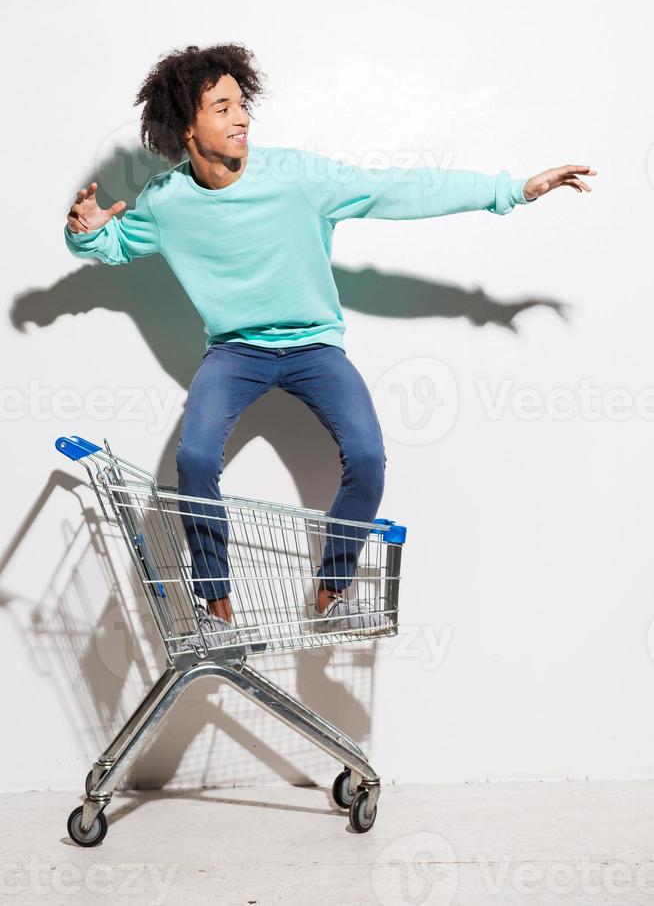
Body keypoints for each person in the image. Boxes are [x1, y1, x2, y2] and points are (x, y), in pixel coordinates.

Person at [64, 42, 596, 639]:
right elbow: (112, 245)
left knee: (368, 458)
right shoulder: (167, 203)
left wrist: (512, 190)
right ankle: (215, 606)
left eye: (242, 104)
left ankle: (331, 592)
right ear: (186, 125)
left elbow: (396, 189)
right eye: (222, 108)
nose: (241, 119)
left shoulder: (297, 177)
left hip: (316, 348)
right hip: (235, 353)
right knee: (193, 460)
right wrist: (84, 234)